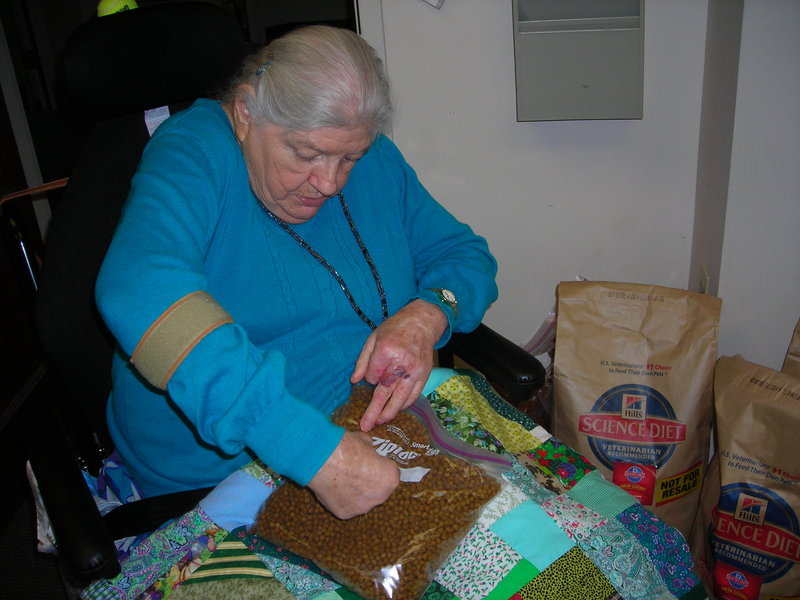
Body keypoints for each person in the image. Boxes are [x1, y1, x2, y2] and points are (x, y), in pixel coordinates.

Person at [95, 25, 498, 519]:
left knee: (566, 555)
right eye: (306, 155)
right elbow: (138, 289)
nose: (329, 183)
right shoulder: (194, 151)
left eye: (349, 157)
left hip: (375, 437)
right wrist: (309, 449)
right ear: (246, 115)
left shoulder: (374, 160)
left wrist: (427, 316)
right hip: (229, 474)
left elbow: (464, 255)